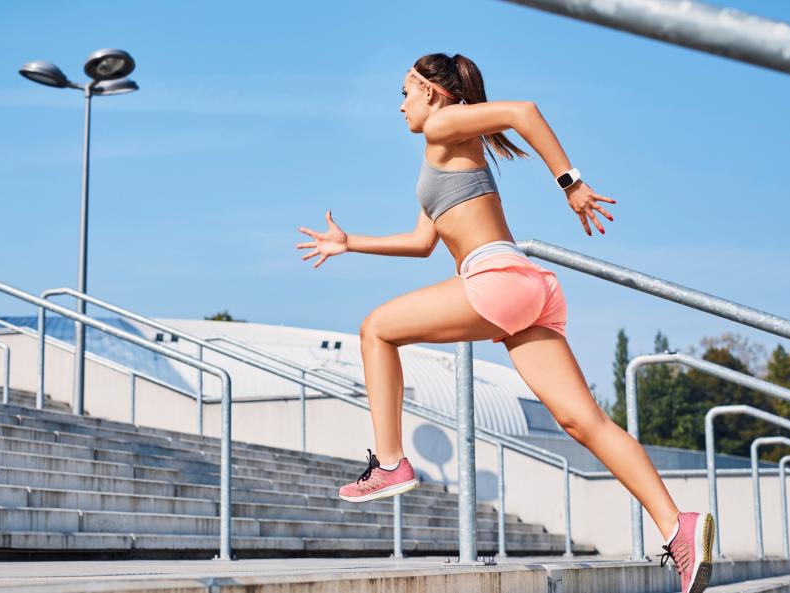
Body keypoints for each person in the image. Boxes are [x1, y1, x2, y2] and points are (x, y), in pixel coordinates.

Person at [296, 52, 713, 593]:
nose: (399, 106)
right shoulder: (440, 155)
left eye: (404, 92)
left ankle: (392, 462)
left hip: (495, 278)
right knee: (584, 423)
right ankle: (677, 525)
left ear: (432, 93)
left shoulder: (445, 126)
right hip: (527, 290)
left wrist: (571, 184)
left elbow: (523, 112)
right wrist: (351, 242)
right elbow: (424, 244)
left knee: (376, 328)